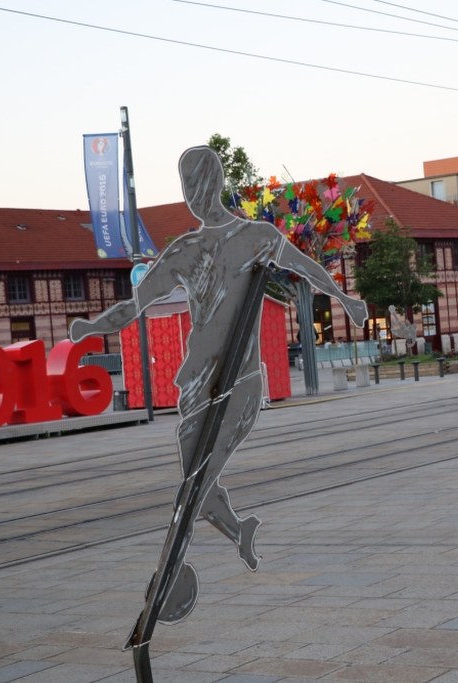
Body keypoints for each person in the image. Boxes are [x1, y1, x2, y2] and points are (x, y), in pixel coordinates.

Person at [70, 146, 368, 675]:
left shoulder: (257, 236)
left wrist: (346, 300)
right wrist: (94, 327)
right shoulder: (184, 250)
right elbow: (135, 307)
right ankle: (236, 532)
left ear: (214, 184)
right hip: (196, 384)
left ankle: (168, 586)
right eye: (187, 186)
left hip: (240, 382)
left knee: (195, 485)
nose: (193, 195)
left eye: (198, 184)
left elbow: (306, 268)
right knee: (195, 481)